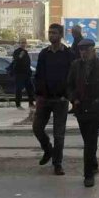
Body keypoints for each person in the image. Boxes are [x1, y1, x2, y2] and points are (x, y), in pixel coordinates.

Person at [68, 39, 99, 187]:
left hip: (97, 110)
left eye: (87, 51)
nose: (84, 53)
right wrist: (73, 98)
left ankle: (88, 174)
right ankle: (93, 164)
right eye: (81, 51)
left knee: (90, 140)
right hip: (81, 109)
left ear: (93, 51)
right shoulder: (75, 66)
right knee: (88, 140)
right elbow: (69, 85)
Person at [33, 23, 78, 175]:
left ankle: (57, 164)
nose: (51, 35)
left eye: (54, 33)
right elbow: (38, 75)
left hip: (61, 100)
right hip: (44, 99)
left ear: (61, 35)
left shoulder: (68, 54)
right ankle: (48, 149)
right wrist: (38, 94)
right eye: (49, 33)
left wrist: (69, 96)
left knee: (59, 135)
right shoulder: (44, 53)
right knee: (37, 128)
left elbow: (72, 77)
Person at [10, 39, 34, 110]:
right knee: (19, 89)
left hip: (26, 74)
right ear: (19, 44)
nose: (23, 44)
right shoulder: (17, 51)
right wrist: (20, 55)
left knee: (30, 89)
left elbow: (27, 63)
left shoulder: (25, 52)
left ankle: (31, 104)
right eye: (22, 43)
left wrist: (29, 71)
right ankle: (18, 105)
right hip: (19, 74)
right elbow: (16, 60)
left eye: (24, 43)